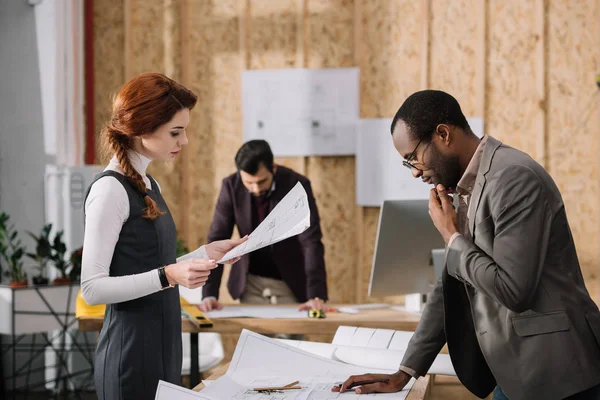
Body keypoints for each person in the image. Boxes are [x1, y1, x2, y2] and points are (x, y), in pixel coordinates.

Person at [334, 90, 600, 400]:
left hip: (558, 373)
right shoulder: (465, 187)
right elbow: (450, 284)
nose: (417, 172)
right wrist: (405, 371)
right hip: (515, 370)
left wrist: (452, 237)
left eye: (413, 158)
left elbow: (515, 290)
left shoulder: (513, 177)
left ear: (443, 134)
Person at [80, 72, 246, 400]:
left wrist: (204, 253)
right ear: (142, 129)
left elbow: (153, 266)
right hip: (130, 356)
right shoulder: (110, 190)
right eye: (175, 132)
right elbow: (92, 289)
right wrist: (169, 274)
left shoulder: (150, 185)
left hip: (164, 350)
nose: (183, 142)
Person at [198, 139, 329, 312]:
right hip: (250, 282)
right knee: (253, 337)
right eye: (249, 183)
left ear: (273, 168)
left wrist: (316, 295)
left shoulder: (296, 185)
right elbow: (217, 239)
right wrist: (209, 294)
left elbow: (311, 241)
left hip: (290, 281)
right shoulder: (231, 186)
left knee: (290, 337)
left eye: (261, 181)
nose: (255, 189)